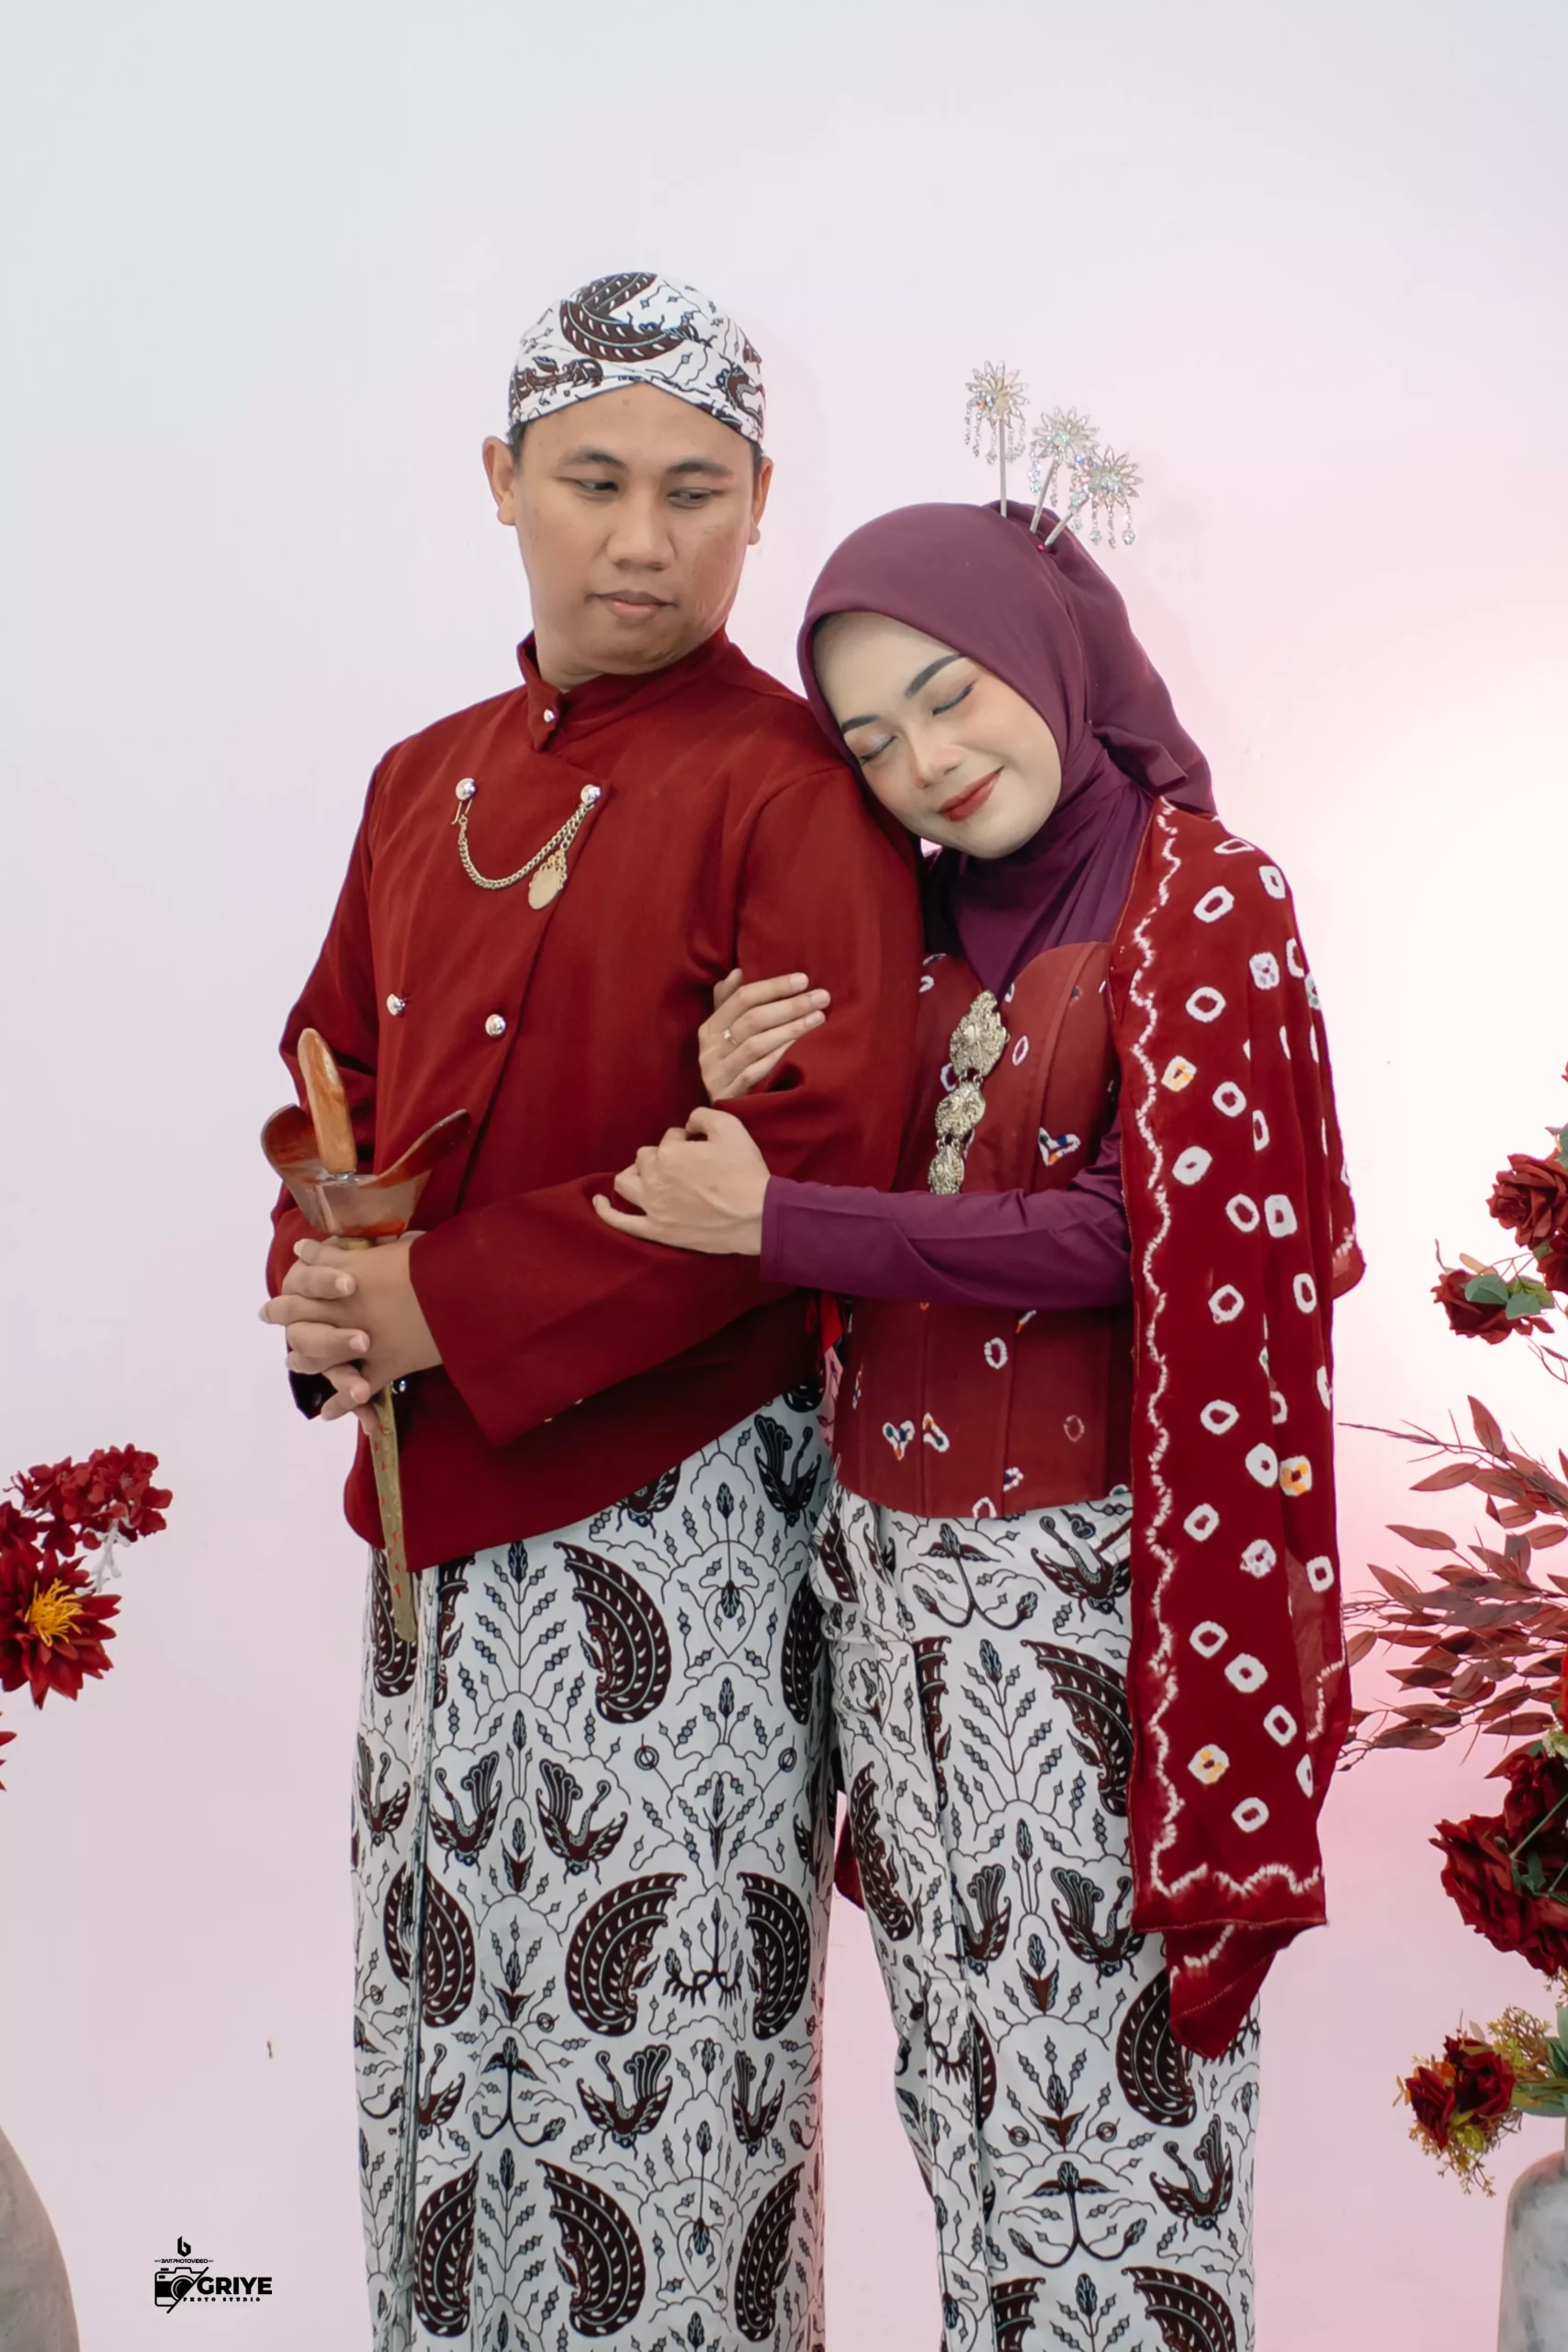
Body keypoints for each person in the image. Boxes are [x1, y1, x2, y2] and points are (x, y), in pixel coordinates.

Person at [594, 498, 1362, 2352]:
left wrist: (785, 1219)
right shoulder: (905, 915)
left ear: (1047, 652)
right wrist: (725, 1077)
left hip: (1095, 1623)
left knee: (1112, 2133)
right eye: (872, 740)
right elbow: (796, 1161)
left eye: (949, 695)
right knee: (966, 2112)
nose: (927, 761)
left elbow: (1139, 1231)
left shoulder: (1203, 895)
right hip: (889, 1618)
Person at [258, 272, 921, 2352]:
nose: (644, 539)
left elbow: (811, 1154)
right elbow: (325, 1084)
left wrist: (440, 1301)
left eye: (695, 492)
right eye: (593, 481)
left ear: (760, 504)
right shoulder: (419, 777)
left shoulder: (792, 782)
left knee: (660, 2091)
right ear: (501, 480)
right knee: (435, 2066)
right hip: (429, 1542)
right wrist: (328, 1292)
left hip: (686, 1531)